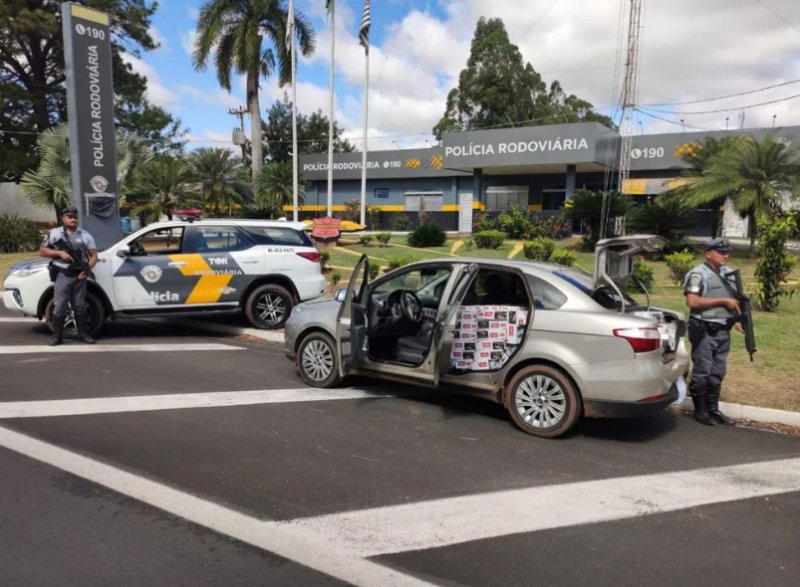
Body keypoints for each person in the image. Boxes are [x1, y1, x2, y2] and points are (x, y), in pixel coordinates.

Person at [683, 238, 744, 426]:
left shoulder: (728, 273)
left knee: (718, 372)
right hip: (705, 330)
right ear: (709, 253)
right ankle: (701, 411)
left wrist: (738, 320)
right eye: (721, 252)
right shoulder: (697, 275)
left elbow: (736, 300)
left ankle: (713, 409)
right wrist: (722, 302)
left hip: (723, 331)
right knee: (702, 371)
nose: (725, 255)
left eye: (727, 252)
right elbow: (692, 302)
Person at [39, 206, 98, 346]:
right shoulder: (54, 234)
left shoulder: (85, 235)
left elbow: (94, 256)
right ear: (63, 218)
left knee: (80, 306)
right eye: (70, 217)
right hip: (62, 275)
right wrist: (59, 253)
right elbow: (42, 251)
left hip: (79, 276)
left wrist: (87, 270)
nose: (73, 219)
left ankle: (82, 334)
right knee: (59, 307)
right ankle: (57, 336)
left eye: (75, 217)